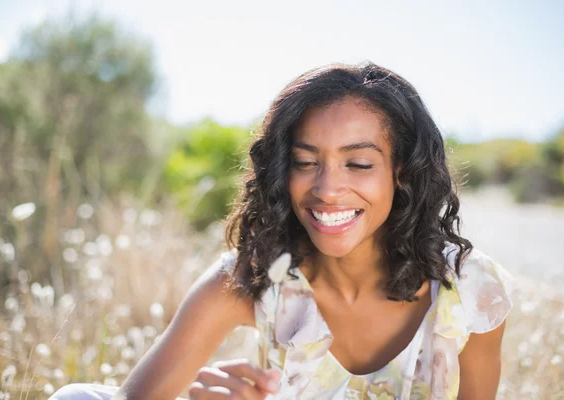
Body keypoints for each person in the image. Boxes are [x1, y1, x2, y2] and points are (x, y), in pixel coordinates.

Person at [51, 62, 516, 400]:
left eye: (358, 163)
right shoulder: (247, 280)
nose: (328, 189)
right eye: (305, 162)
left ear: (402, 172)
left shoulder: (468, 292)